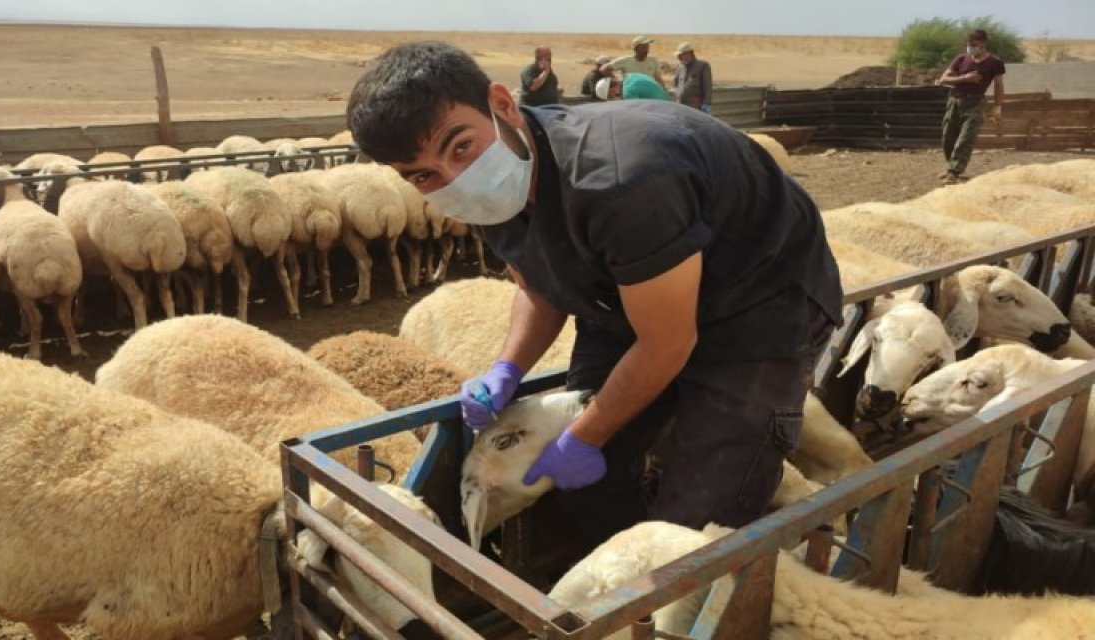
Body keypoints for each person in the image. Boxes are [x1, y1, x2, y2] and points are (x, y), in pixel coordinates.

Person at [346, 41, 842, 547]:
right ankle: (615, 584)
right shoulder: (493, 191)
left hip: (758, 303)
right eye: (423, 175)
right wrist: (506, 368)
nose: (456, 179)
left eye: (460, 146)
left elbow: (667, 343)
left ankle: (670, 595)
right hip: (631, 298)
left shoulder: (621, 179)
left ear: (502, 104)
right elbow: (539, 286)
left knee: (697, 521)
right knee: (576, 481)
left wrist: (586, 436)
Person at [936, 29, 1006, 184]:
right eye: (969, 45)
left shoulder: (995, 63)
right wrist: (964, 79)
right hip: (954, 101)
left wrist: (997, 106)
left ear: (983, 44)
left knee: (966, 138)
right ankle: (951, 167)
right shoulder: (961, 59)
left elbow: (999, 85)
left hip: (975, 103)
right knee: (948, 137)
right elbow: (943, 79)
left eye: (974, 45)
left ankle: (954, 171)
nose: (971, 48)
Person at [603, 36, 668, 90]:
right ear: (636, 49)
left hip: (648, 94)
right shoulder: (626, 61)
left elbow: (658, 79)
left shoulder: (653, 61)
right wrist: (618, 82)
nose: (646, 50)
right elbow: (604, 69)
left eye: (647, 47)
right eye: (643, 47)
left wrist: (665, 92)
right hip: (631, 94)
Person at [672, 42, 713, 113]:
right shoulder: (680, 67)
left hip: (696, 108)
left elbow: (707, 87)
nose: (679, 58)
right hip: (680, 106)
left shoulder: (702, 66)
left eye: (682, 55)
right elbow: (675, 85)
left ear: (690, 53)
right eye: (679, 55)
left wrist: (707, 103)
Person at [594, 72, 670, 101]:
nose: (615, 97)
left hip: (663, 110)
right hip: (667, 102)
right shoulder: (630, 76)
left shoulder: (628, 92)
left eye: (611, 96)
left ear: (612, 91)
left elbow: (635, 113)